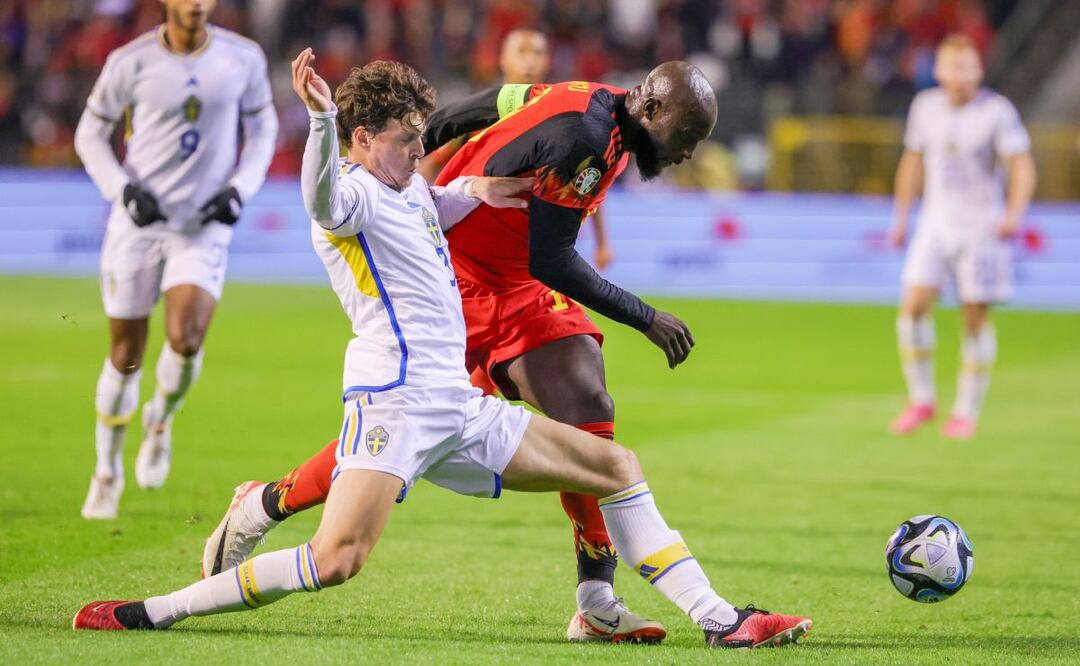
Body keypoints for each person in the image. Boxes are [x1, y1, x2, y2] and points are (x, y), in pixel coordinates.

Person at [73, 52, 812, 651]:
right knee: (337, 562)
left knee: (615, 460)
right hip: (393, 403)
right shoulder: (352, 198)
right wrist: (324, 121)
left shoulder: (414, 189)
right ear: (364, 141)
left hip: (457, 407)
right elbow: (322, 196)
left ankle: (719, 620)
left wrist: (478, 188)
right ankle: (155, 610)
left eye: (423, 134)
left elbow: (450, 171)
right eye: (406, 138)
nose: (423, 149)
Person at [201, 57, 715, 643]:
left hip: (518, 285)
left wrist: (429, 170)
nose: (690, 152)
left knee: (586, 403)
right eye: (689, 137)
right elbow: (552, 256)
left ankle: (596, 599)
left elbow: (494, 101)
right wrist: (646, 318)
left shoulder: (599, 105)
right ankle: (267, 501)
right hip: (460, 280)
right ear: (651, 110)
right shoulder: (587, 138)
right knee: (405, 426)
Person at [74, 0, 278, 519]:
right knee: (127, 354)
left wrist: (239, 188)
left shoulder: (243, 58)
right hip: (139, 225)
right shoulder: (131, 61)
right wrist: (122, 190)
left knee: (186, 338)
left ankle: (159, 421)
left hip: (202, 225)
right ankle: (107, 471)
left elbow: (263, 131)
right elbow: (89, 134)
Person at [888, 34, 1036, 439]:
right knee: (913, 306)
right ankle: (921, 399)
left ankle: (966, 412)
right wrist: (901, 218)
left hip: (980, 227)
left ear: (980, 70)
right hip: (935, 222)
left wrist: (1013, 214)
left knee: (974, 317)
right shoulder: (926, 106)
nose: (962, 75)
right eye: (954, 66)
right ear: (938, 70)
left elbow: (1021, 166)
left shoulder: (997, 112)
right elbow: (912, 163)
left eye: (969, 67)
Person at [419, 28, 614, 272]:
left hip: (534, 242)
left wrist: (602, 243)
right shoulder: (480, 112)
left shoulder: (564, 115)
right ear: (503, 59)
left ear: (548, 60)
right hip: (477, 242)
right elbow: (428, 164)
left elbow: (587, 177)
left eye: (537, 52)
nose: (529, 60)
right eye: (521, 52)